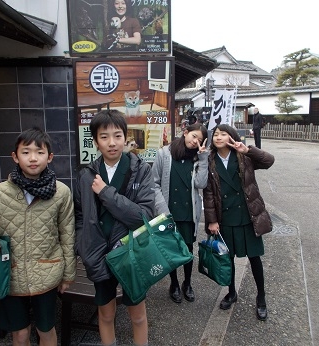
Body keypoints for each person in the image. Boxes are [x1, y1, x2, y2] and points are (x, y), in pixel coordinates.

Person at [0, 127, 76, 346]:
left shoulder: (61, 192)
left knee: (46, 330)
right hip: (10, 275)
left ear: (50, 157)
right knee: (20, 333)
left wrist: (68, 275)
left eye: (39, 152)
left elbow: (67, 234)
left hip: (47, 272)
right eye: (26, 152)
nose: (33, 158)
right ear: (15, 157)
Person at [74, 109, 154, 346]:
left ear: (125, 137)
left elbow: (144, 216)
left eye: (117, 136)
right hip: (99, 254)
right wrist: (84, 246)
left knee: (137, 315)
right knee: (105, 314)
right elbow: (80, 215)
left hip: (131, 252)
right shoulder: (86, 175)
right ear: (95, 141)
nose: (112, 143)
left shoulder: (141, 169)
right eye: (104, 137)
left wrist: (106, 193)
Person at [203, 124, 274, 321]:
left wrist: (248, 149)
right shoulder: (210, 160)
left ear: (232, 137)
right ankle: (232, 292)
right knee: (228, 259)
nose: (218, 137)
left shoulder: (243, 156)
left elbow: (269, 161)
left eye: (223, 134)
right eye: (215, 134)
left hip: (247, 216)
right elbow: (208, 193)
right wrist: (212, 220)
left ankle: (261, 297)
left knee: (254, 258)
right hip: (225, 218)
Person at [152, 123, 208, 304]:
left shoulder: (198, 158)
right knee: (171, 249)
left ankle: (188, 283)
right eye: (193, 136)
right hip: (168, 211)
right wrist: (163, 211)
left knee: (188, 249)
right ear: (185, 133)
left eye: (199, 140)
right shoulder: (164, 154)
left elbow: (201, 184)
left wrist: (204, 158)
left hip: (188, 212)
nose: (195, 142)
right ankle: (174, 283)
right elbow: (154, 184)